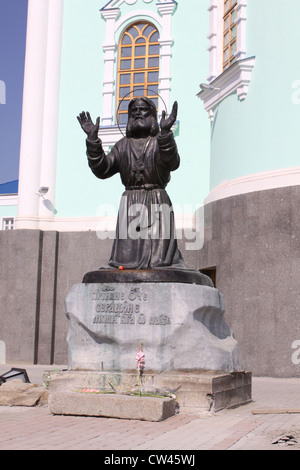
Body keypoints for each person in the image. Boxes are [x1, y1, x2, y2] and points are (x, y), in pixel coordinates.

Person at [77, 97, 185, 270]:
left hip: (157, 199)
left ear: (152, 115)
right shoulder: (122, 146)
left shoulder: (159, 141)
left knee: (160, 262)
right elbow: (102, 169)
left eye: (142, 109)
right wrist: (92, 141)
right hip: (130, 203)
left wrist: (165, 134)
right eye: (133, 111)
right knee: (125, 261)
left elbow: (172, 162)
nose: (138, 113)